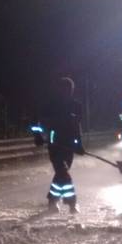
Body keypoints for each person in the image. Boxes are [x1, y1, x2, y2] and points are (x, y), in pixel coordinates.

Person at [38, 77, 85, 214]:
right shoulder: (50, 105)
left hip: (69, 146)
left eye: (69, 89)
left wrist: (79, 144)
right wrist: (39, 136)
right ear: (59, 90)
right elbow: (39, 122)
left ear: (72, 90)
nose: (66, 92)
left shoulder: (76, 106)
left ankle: (52, 201)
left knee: (60, 174)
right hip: (55, 145)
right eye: (63, 89)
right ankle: (72, 203)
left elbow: (77, 127)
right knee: (63, 172)